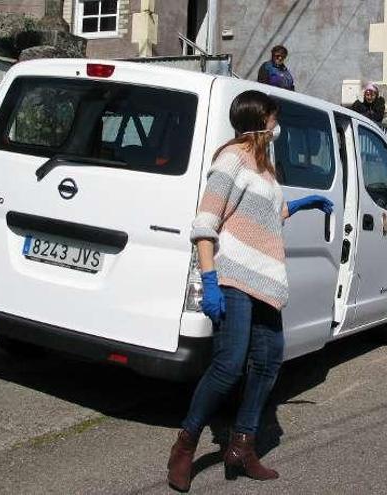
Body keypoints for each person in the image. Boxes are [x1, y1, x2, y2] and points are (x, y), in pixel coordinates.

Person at [166, 90, 333, 492]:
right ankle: (185, 445)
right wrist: (209, 282)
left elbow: (266, 215)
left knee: (268, 361)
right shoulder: (231, 159)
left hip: (266, 281)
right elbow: (205, 224)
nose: (277, 127)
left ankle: (241, 445)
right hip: (234, 278)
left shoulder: (265, 169)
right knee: (228, 366)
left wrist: (305, 203)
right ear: (261, 121)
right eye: (274, 119)